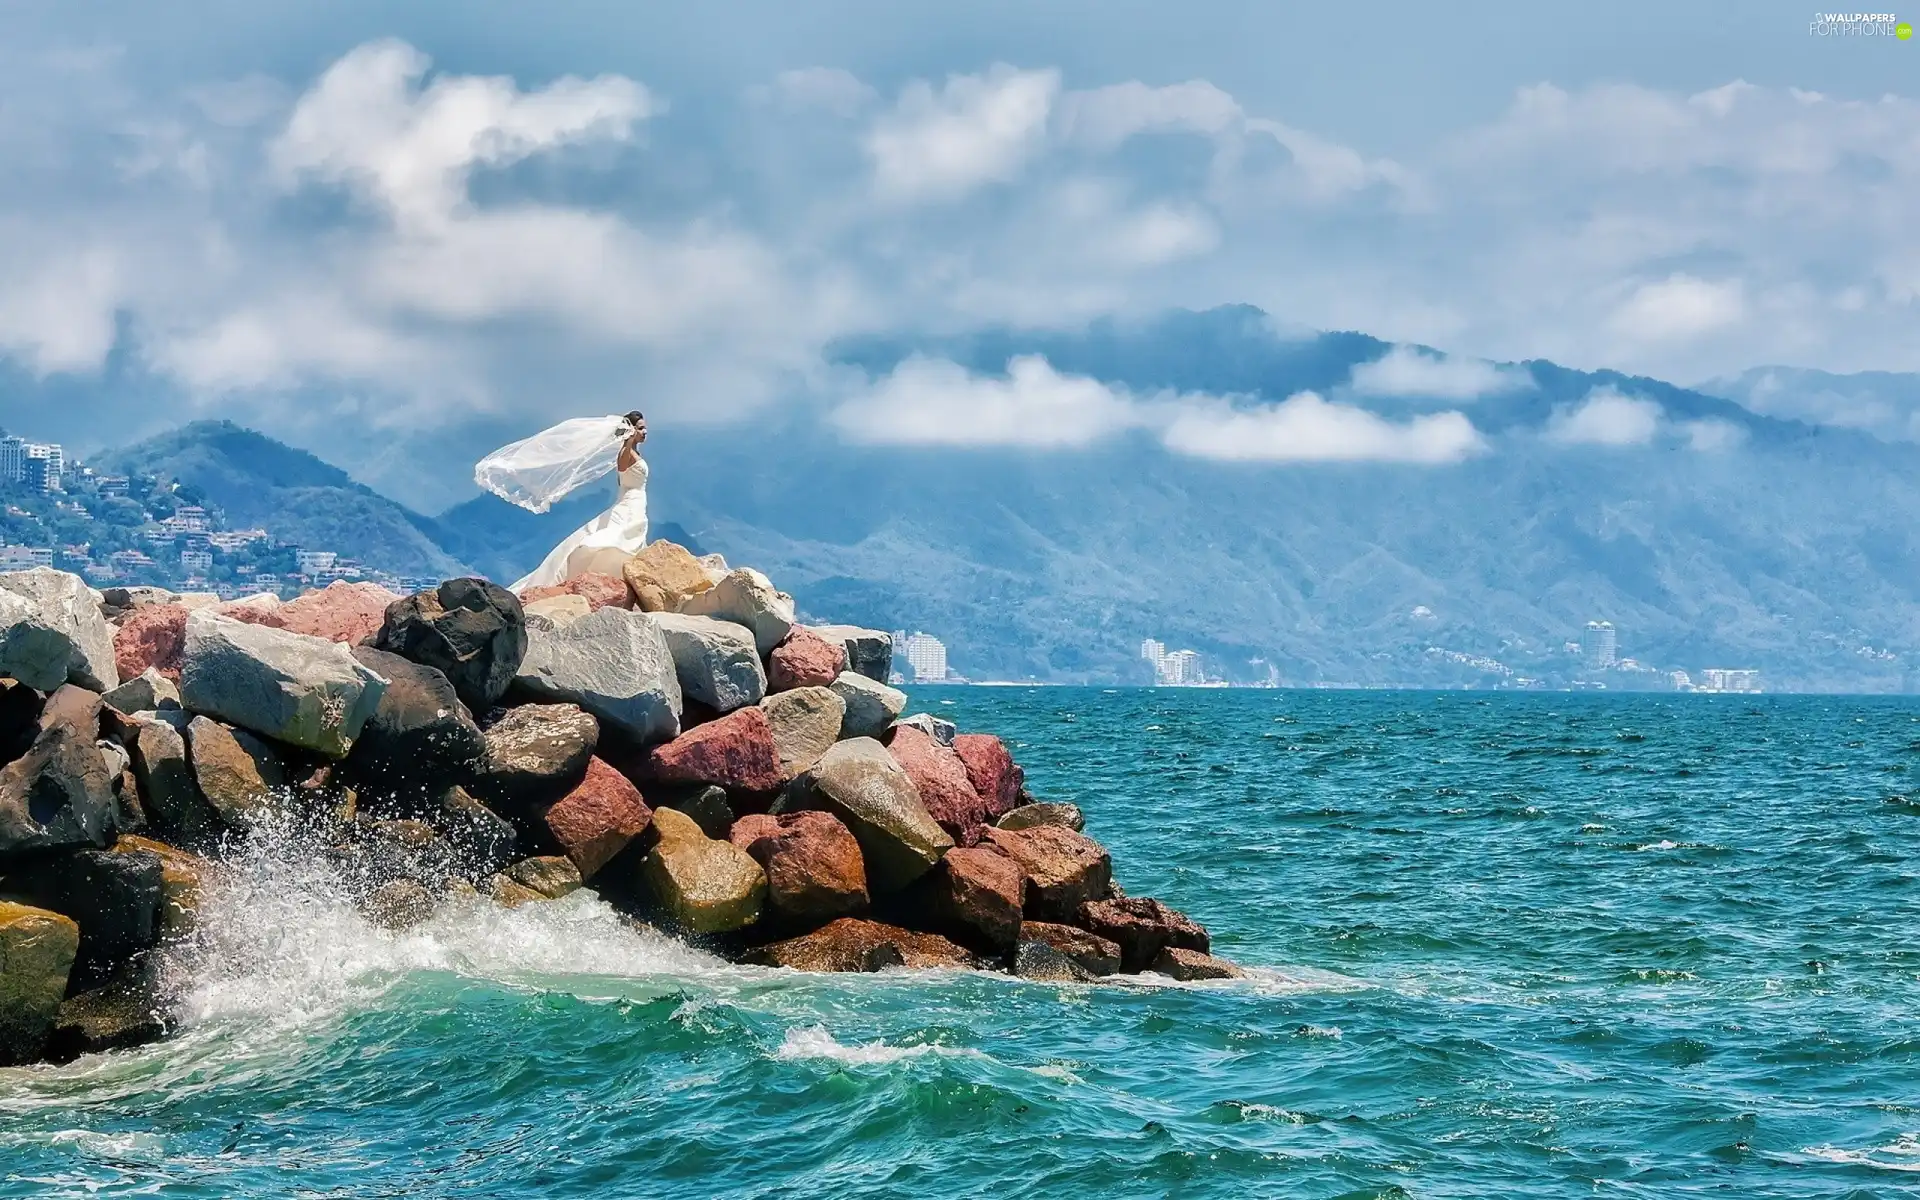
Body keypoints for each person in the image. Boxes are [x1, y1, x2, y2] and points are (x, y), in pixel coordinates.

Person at [508, 411, 649, 592]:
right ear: (631, 430)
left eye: (645, 428)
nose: (645, 432)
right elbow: (622, 467)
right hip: (629, 501)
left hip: (637, 500)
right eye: (640, 428)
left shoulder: (635, 452)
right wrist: (628, 441)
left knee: (631, 534)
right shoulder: (626, 452)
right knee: (619, 533)